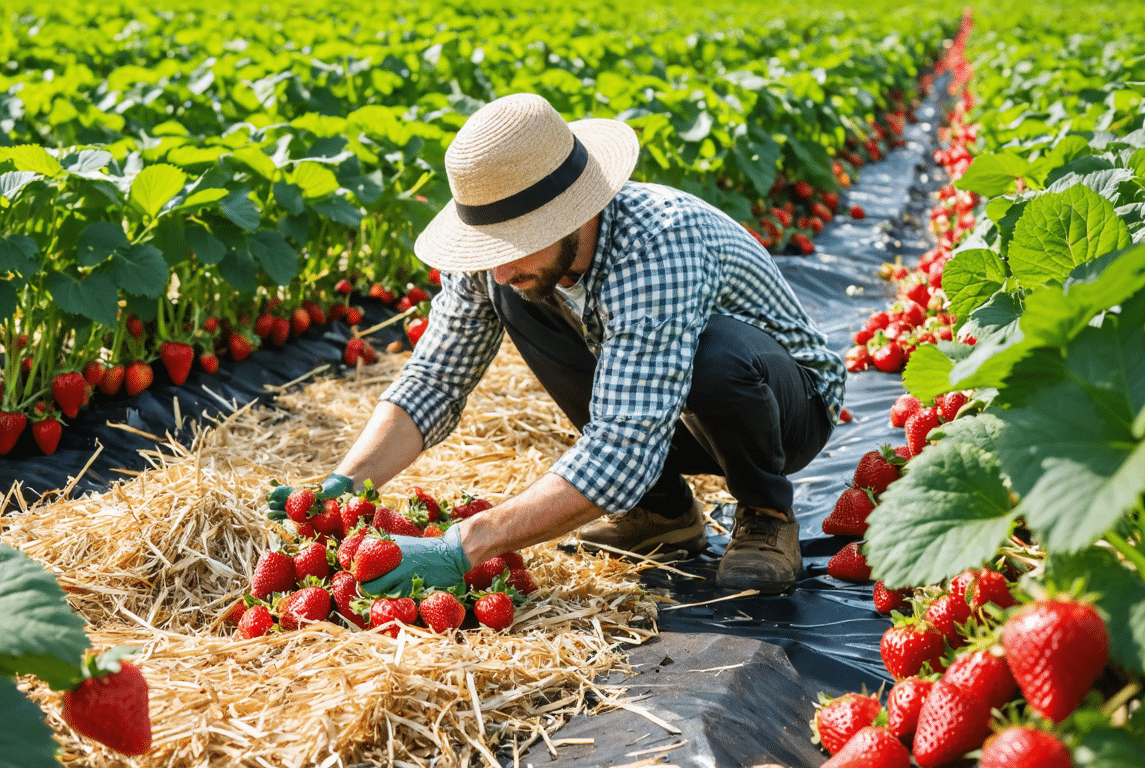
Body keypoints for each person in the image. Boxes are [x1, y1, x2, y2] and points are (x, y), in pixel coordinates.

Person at [269, 93, 845, 595]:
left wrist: (463, 545)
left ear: (572, 213)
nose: (494, 268)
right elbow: (434, 378)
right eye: (486, 247)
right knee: (517, 295)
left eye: (513, 244)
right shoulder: (501, 263)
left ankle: (767, 512)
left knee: (714, 354)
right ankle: (663, 513)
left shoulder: (657, 244)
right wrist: (345, 484)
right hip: (668, 411)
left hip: (785, 409)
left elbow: (623, 446)